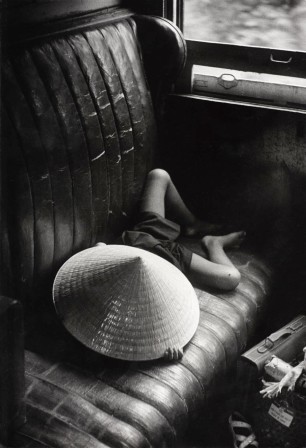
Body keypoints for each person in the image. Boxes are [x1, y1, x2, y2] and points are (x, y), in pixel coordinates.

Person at [122, 169, 246, 360]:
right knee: (232, 277)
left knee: (159, 175)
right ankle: (213, 243)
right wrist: (171, 344)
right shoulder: (138, 309)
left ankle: (193, 223)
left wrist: (101, 248)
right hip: (170, 261)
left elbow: (98, 249)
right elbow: (170, 316)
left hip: (146, 238)